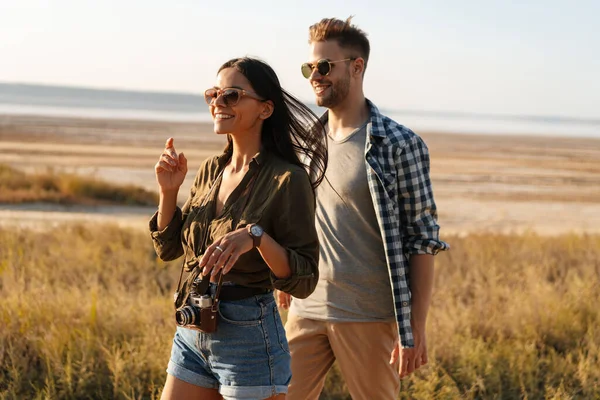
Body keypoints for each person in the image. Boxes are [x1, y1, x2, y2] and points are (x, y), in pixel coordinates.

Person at [277, 17, 449, 400]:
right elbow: (301, 217)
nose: (314, 76)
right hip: (306, 308)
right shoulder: (308, 142)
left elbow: (423, 239)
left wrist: (414, 328)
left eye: (324, 66)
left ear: (357, 67)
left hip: (369, 316)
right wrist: (286, 275)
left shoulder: (399, 143)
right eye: (309, 68)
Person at [150, 56, 327, 400]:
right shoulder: (210, 170)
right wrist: (168, 191)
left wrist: (255, 237)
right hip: (192, 329)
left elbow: (304, 278)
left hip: (249, 337)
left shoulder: (287, 179)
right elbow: (168, 249)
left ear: (264, 109)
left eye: (231, 95)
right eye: (213, 94)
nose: (218, 102)